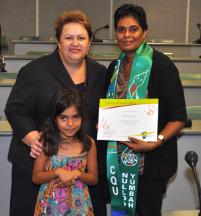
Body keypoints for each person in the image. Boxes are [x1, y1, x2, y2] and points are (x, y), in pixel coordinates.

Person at [5, 10, 108, 216]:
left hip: (83, 169)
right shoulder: (34, 71)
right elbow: (15, 110)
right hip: (37, 164)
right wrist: (35, 139)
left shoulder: (101, 73)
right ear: (58, 42)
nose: (75, 43)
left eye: (81, 38)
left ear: (90, 43)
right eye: (68, 37)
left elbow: (101, 111)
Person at [106, 4, 187, 216]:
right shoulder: (113, 68)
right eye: (121, 29)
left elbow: (178, 118)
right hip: (118, 164)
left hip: (152, 164)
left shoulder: (162, 66)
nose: (126, 35)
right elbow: (108, 108)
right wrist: (104, 124)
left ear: (144, 32)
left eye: (133, 29)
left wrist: (156, 141)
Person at [32, 88, 97, 215]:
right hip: (49, 206)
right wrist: (58, 172)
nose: (70, 123)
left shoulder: (88, 143)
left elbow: (94, 178)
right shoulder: (46, 142)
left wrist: (76, 174)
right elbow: (36, 177)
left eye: (75, 117)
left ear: (82, 118)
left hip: (79, 207)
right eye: (63, 118)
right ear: (54, 119)